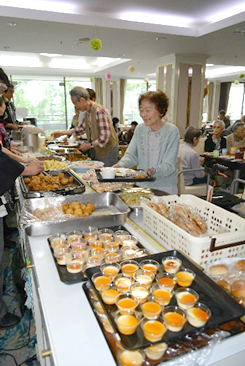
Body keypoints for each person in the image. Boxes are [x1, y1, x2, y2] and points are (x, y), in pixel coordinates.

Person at [113, 90, 180, 194]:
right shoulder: (140, 129)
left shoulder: (172, 131)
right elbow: (131, 155)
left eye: (148, 110)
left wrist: (153, 171)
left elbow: (169, 165)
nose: (143, 114)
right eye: (141, 110)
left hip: (165, 186)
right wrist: (120, 165)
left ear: (161, 111)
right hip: (143, 185)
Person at [51, 87, 118, 166]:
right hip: (98, 149)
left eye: (75, 103)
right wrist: (61, 133)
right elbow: (81, 129)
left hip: (108, 151)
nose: (76, 106)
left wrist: (89, 145)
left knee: (105, 175)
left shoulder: (98, 111)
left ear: (82, 100)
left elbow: (105, 137)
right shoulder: (87, 112)